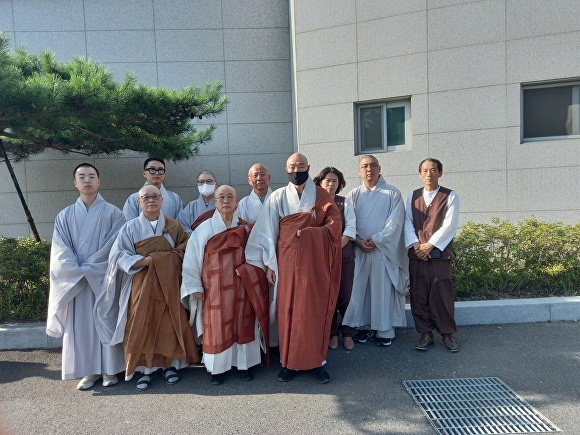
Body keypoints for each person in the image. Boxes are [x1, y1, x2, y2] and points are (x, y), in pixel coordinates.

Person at [246, 153, 342, 384]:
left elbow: (334, 228)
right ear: (286, 169)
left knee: (313, 310)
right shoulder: (278, 196)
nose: (296, 169)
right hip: (286, 261)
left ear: (308, 167)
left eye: (300, 165)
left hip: (315, 263)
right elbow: (267, 233)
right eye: (292, 166)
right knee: (287, 309)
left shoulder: (321, 196)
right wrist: (269, 264)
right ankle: (289, 362)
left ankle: (316, 361)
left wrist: (311, 234)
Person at [95, 185, 199, 391]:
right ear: (138, 202)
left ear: (161, 200)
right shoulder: (130, 227)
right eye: (146, 197)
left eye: (155, 197)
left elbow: (186, 250)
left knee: (170, 324)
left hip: (169, 285)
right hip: (142, 284)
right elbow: (117, 255)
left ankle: (170, 366)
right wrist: (144, 262)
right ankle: (146, 370)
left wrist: (159, 259)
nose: (151, 200)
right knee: (143, 324)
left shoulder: (174, 226)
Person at [47, 163, 126, 390]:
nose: (87, 180)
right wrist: (78, 271)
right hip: (77, 281)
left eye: (92, 176)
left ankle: (110, 370)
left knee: (105, 320)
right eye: (82, 177)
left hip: (103, 278)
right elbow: (60, 251)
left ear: (99, 182)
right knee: (81, 326)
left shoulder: (114, 213)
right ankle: (88, 371)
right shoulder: (64, 216)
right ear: (75, 183)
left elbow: (116, 244)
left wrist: (91, 267)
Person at [181, 186, 269, 385]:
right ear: (215, 201)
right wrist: (194, 285)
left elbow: (256, 255)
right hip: (215, 289)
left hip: (242, 286)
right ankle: (217, 369)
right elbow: (192, 259)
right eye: (222, 197)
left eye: (230, 196)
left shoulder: (246, 228)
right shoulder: (204, 229)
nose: (226, 200)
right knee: (217, 326)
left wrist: (250, 270)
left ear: (237, 201)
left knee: (243, 322)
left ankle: (245, 365)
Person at [342, 155, 408, 347]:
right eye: (365, 166)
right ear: (359, 171)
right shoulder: (353, 194)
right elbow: (348, 222)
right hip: (360, 249)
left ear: (379, 168)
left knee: (381, 289)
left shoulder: (393, 193)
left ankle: (384, 328)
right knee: (360, 288)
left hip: (382, 250)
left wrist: (377, 240)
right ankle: (363, 326)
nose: (369, 169)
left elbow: (395, 223)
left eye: (373, 165)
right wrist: (358, 241)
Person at [404, 158, 460, 352]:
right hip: (416, 253)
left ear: (440, 173)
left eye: (433, 170)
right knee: (418, 294)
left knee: (442, 293)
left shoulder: (450, 196)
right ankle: (425, 333)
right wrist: (416, 245)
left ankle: (447, 334)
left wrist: (430, 245)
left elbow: (449, 225)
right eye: (425, 170)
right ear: (420, 174)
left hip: (439, 254)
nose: (429, 173)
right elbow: (407, 223)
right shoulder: (412, 196)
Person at [313, 167, 356, 351]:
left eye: (335, 181)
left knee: (346, 295)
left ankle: (347, 332)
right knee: (327, 296)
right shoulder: (314, 203)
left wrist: (336, 246)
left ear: (339, 184)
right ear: (320, 182)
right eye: (327, 180)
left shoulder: (345, 203)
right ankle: (331, 333)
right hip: (320, 259)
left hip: (343, 255)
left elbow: (351, 227)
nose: (331, 184)